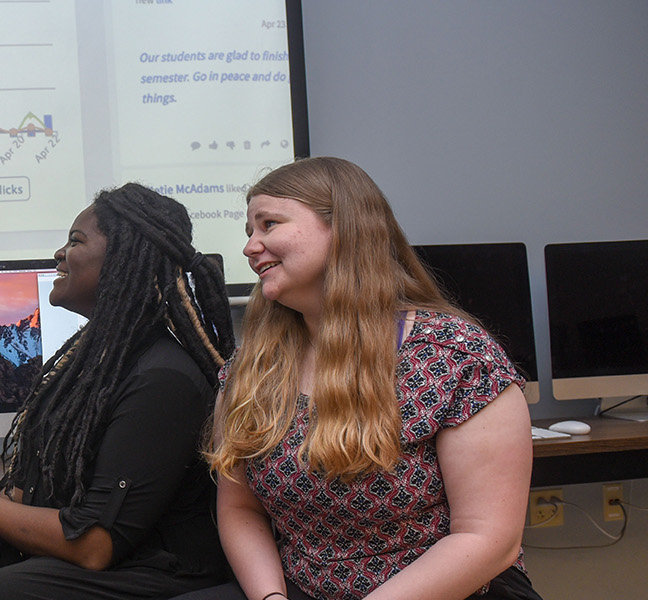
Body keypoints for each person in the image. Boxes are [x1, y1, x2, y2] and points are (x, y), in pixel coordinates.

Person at [0, 183, 237, 600]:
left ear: (122, 259)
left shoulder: (162, 379)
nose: (59, 254)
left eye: (75, 241)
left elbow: (95, 545)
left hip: (146, 569)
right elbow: (26, 482)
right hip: (75, 548)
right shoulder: (92, 359)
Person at [185, 157, 540, 600]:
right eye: (248, 232)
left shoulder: (453, 355)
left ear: (345, 229)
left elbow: (489, 540)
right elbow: (240, 510)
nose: (250, 247)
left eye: (269, 224)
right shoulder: (250, 367)